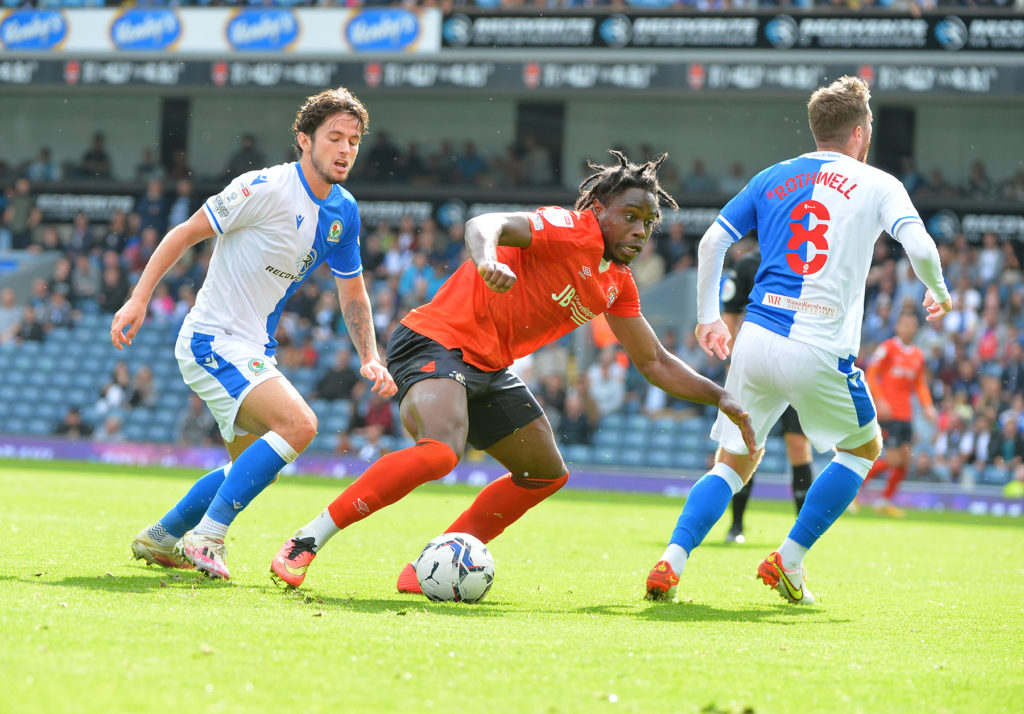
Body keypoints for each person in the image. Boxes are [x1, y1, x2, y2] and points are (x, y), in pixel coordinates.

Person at [270, 150, 755, 591]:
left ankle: (428, 568)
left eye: (648, 223)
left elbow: (653, 362)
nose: (640, 230)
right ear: (599, 211)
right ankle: (307, 540)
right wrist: (485, 261)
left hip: (489, 365)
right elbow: (486, 223)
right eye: (630, 216)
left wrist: (722, 396)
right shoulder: (571, 228)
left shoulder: (617, 284)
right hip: (438, 339)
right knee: (441, 451)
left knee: (544, 473)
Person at [644, 76, 952, 606]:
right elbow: (919, 244)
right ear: (860, 132)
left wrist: (707, 318)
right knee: (863, 449)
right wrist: (939, 291)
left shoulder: (772, 177)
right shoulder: (879, 183)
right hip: (818, 344)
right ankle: (788, 558)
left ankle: (672, 558)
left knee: (732, 463)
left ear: (818, 131)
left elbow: (714, 240)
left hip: (756, 339)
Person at [112, 87, 396, 580]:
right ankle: (207, 538)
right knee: (300, 425)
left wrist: (370, 355)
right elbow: (183, 233)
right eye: (334, 137)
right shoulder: (263, 187)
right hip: (212, 338)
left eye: (354, 140)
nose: (346, 149)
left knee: (246, 469)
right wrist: (138, 298)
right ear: (304, 140)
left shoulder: (343, 211)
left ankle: (162, 536)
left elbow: (353, 294)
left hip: (252, 346)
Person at [718, 240, 814, 543]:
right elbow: (730, 315)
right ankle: (736, 526)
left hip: (796, 370)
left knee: (798, 447)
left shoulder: (807, 264)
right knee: (747, 446)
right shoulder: (748, 265)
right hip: (756, 371)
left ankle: (803, 531)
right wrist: (734, 364)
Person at [858, 310, 936, 517]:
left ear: (916, 328)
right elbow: (872, 375)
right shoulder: (887, 348)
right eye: (905, 324)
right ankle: (854, 491)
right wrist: (880, 400)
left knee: (904, 461)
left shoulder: (918, 355)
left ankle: (884, 501)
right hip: (889, 413)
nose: (908, 328)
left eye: (912, 324)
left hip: (906, 415)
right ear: (897, 326)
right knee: (892, 460)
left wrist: (927, 406)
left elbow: (920, 384)